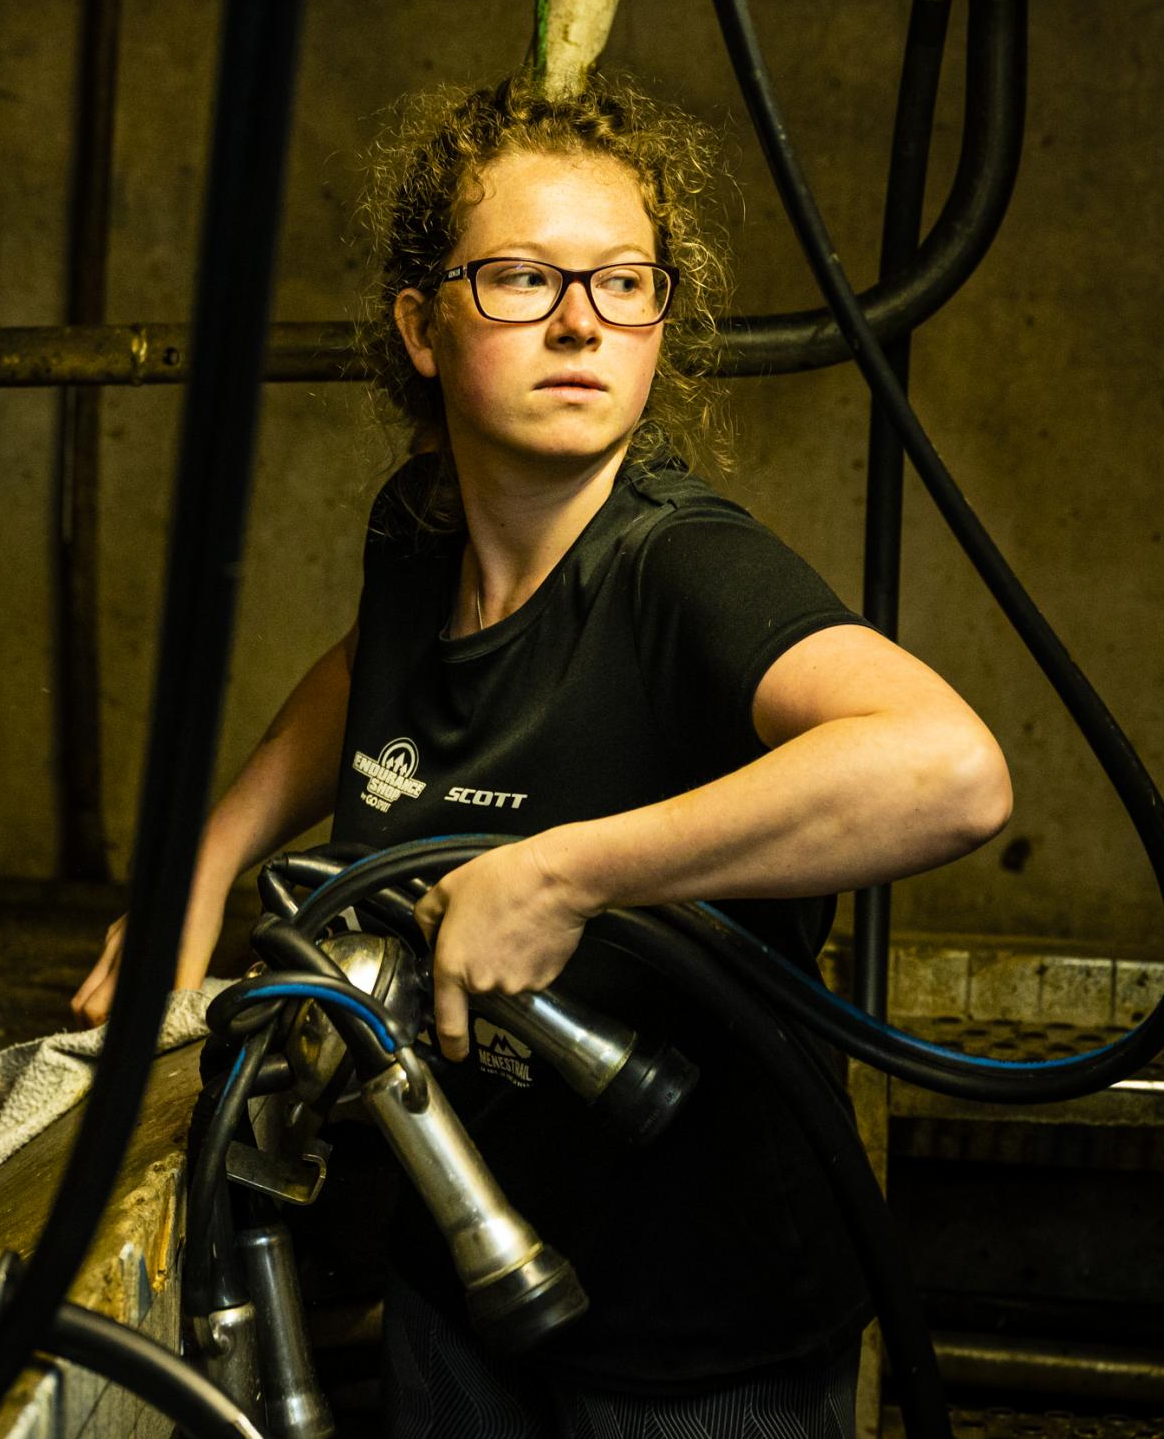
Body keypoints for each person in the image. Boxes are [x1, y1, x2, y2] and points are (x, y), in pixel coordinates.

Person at [72, 74, 1011, 1439]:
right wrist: (207, 864)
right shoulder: (420, 536)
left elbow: (950, 769)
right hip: (460, 1274)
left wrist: (567, 874)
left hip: (693, 1338)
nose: (580, 319)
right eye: (520, 277)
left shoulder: (681, 569)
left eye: (625, 282)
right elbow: (366, 677)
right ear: (421, 326)